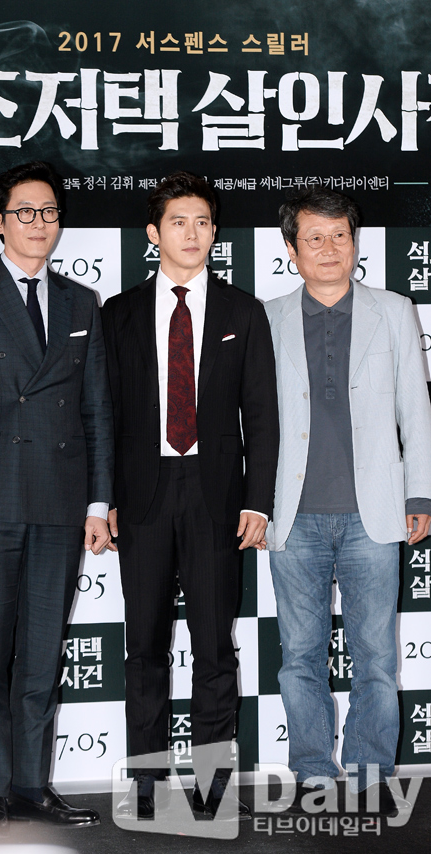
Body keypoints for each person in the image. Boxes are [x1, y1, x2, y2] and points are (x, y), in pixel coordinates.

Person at [0, 160, 114, 837]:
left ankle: (32, 785)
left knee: (42, 652)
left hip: (60, 501)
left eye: (49, 212)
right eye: (25, 212)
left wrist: (98, 504)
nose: (39, 224)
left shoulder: (80, 302)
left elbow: (97, 410)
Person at [101, 171, 279, 820]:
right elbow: (103, 414)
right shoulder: (118, 313)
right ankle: (146, 787)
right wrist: (102, 497)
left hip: (216, 497)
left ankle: (214, 790)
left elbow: (263, 416)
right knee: (144, 648)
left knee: (214, 648)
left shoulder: (242, 311)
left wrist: (257, 501)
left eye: (203, 222)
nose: (193, 233)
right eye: (179, 222)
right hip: (141, 497)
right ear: (153, 233)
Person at [265, 186, 431, 816]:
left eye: (340, 235)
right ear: (292, 249)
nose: (330, 248)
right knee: (299, 657)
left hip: (376, 513)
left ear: (355, 243)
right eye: (315, 237)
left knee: (378, 658)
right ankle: (311, 770)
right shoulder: (267, 317)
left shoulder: (394, 310)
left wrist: (420, 492)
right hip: (292, 514)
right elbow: (252, 420)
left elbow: (416, 410)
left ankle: (371, 774)